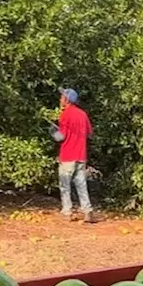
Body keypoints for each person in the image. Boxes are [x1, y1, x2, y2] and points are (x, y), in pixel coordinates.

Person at [53, 88, 99, 223]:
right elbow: (89, 133)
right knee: (81, 184)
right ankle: (87, 210)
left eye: (62, 97)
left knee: (65, 185)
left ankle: (67, 212)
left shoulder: (65, 114)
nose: (60, 99)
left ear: (67, 100)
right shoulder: (83, 114)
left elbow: (61, 137)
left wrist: (53, 131)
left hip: (68, 155)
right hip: (81, 155)